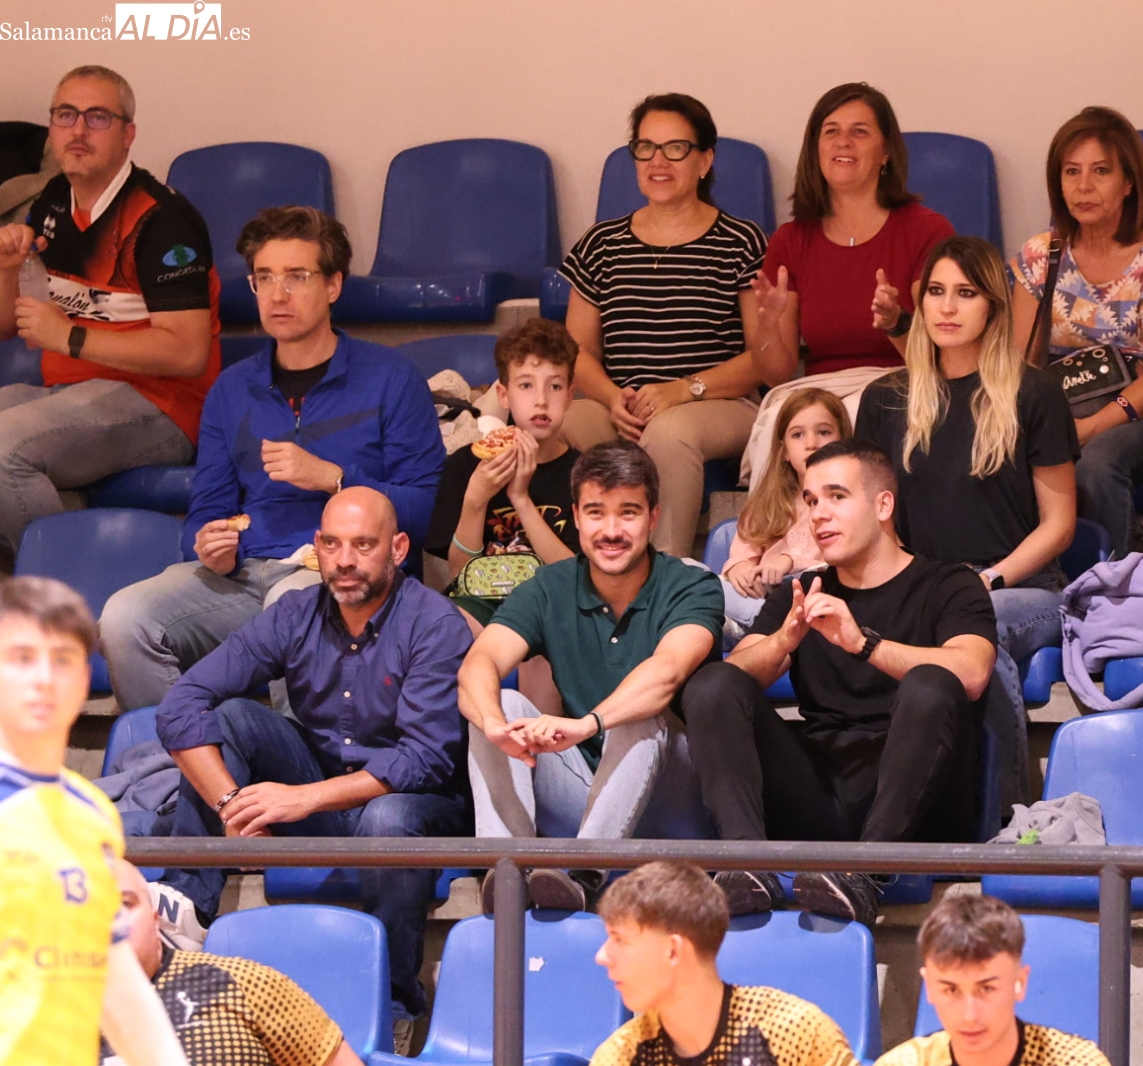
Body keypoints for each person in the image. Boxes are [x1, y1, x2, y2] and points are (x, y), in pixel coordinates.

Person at [100, 205, 443, 712]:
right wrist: (209, 545)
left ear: (333, 285)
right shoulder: (231, 389)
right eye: (264, 278)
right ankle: (179, 753)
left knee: (292, 606)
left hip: (344, 573)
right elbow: (207, 509)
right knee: (125, 616)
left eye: (297, 277)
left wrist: (335, 479)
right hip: (243, 574)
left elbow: (426, 511)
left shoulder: (392, 378)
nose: (278, 294)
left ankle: (299, 760)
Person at [150, 488, 472, 1027]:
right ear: (316, 546)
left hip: (418, 804)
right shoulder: (295, 612)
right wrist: (233, 806)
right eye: (332, 544)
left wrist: (302, 799)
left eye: (363, 545)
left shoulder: (433, 622)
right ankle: (186, 913)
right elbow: (182, 702)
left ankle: (394, 1005)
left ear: (397, 549)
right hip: (324, 787)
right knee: (232, 716)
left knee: (387, 819)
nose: (344, 560)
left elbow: (424, 759)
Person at [682, 438, 996, 923]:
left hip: (918, 804)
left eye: (837, 496)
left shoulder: (950, 584)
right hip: (824, 790)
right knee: (710, 684)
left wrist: (863, 644)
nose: (819, 515)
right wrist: (783, 641)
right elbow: (729, 683)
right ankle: (746, 865)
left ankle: (867, 874)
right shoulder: (805, 590)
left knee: (930, 684)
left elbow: (972, 672)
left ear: (883, 505)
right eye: (811, 501)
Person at [457, 440, 721, 911]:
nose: (611, 531)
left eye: (628, 513)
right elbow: (480, 662)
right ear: (577, 517)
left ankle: (584, 875)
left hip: (676, 803)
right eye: (597, 512)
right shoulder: (549, 587)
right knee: (503, 706)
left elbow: (666, 673)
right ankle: (506, 873)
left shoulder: (690, 583)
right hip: (589, 796)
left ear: (654, 517)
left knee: (640, 715)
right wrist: (495, 727)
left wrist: (587, 724)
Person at [855, 236, 1077, 769]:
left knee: (975, 632)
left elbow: (1060, 525)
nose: (947, 307)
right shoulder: (885, 398)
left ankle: (1005, 810)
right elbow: (868, 515)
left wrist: (987, 580)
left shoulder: (1035, 393)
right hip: (923, 587)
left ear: (993, 306)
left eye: (966, 293)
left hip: (1018, 588)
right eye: (936, 292)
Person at [0, 65, 220, 571]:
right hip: (68, 394)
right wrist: (9, 269)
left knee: (6, 450)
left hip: (162, 405)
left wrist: (71, 337)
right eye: (65, 115)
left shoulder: (163, 219)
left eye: (97, 117)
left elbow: (188, 353)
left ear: (128, 134)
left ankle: (65, 599)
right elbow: (8, 324)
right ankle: (64, 562)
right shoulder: (52, 201)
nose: (78, 130)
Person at [560, 93, 768, 557]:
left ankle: (666, 577)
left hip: (717, 403)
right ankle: (570, 572)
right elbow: (576, 352)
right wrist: (612, 398)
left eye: (675, 148)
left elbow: (763, 358)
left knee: (669, 432)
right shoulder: (600, 243)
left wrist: (682, 390)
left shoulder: (741, 240)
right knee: (556, 420)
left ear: (704, 161)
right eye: (646, 147)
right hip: (624, 404)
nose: (658, 161)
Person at [0, 576, 186, 1065]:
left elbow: (111, 972)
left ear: (84, 680)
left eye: (62, 660)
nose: (44, 678)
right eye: (22, 658)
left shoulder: (91, 811)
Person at [1010, 107, 1143, 557]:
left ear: (1129, 182)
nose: (1084, 186)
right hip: (1065, 405)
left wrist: (1092, 427)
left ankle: (1113, 584)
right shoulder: (1042, 255)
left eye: (1100, 171)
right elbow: (1022, 366)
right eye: (1071, 172)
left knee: (1095, 463)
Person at [741, 82, 956, 491]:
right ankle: (783, 529)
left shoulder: (926, 230)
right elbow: (777, 373)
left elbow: (940, 356)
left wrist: (896, 321)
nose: (843, 142)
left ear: (885, 152)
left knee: (845, 420)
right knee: (788, 422)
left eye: (860, 131)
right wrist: (767, 327)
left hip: (901, 386)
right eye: (831, 131)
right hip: (817, 392)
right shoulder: (791, 239)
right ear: (815, 149)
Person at [426, 318, 581, 710]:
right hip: (483, 596)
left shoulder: (584, 474)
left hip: (554, 602)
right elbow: (460, 572)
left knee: (553, 636)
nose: (541, 401)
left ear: (570, 395)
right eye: (526, 385)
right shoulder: (466, 466)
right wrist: (476, 500)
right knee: (440, 629)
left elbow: (574, 576)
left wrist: (521, 499)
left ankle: (540, 742)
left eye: (555, 386)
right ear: (503, 394)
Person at [590, 861, 857, 1066]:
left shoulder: (795, 1033)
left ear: (673, 950)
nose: (602, 956)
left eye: (620, 940)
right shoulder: (619, 1057)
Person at [105, 858, 362, 1066]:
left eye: (124, 904)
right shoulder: (78, 1014)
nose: (110, 922)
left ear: (155, 920)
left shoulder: (243, 983)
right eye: (91, 909)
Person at [877, 894, 1110, 1066]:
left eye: (987, 988)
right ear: (928, 986)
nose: (969, 1016)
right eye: (951, 990)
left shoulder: (1079, 1062)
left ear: (1020, 982)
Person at [721, 387, 850, 642]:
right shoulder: (767, 502)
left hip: (813, 601)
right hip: (758, 597)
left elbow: (840, 565)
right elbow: (743, 553)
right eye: (798, 435)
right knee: (689, 572)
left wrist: (789, 561)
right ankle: (751, 624)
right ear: (785, 452)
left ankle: (759, 624)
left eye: (824, 432)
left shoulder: (850, 503)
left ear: (844, 441)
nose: (811, 443)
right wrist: (741, 568)